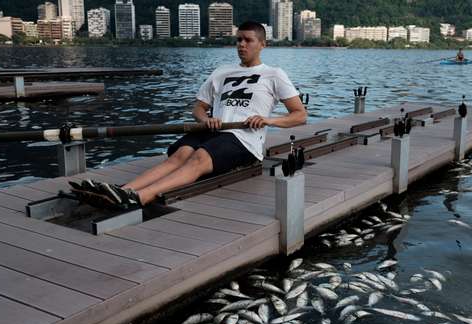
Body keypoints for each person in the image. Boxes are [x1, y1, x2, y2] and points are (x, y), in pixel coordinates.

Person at [73, 21, 307, 209]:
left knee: (199, 157)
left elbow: (299, 115)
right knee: (179, 154)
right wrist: (205, 120)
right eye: (238, 40)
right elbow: (198, 108)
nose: (241, 45)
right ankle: (122, 190)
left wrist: (268, 120)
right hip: (213, 131)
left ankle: (139, 198)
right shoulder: (221, 72)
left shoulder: (274, 74)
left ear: (262, 44)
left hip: (244, 139)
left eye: (248, 40)